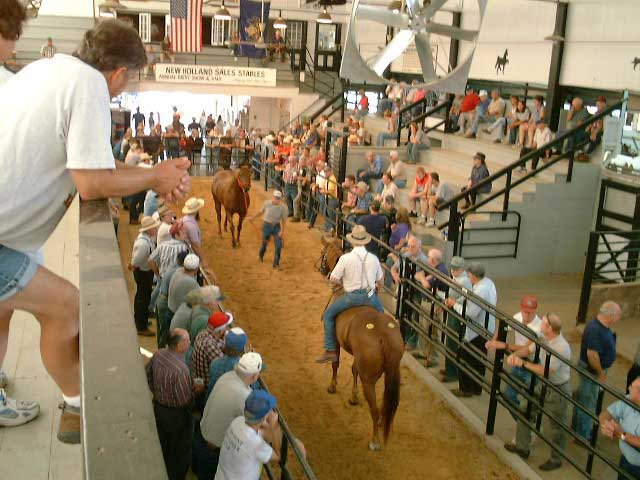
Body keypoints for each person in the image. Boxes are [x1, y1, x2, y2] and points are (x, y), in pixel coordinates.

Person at [0, 17, 188, 437]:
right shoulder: (89, 87)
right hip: (2, 240)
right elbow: (91, 182)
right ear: (119, 73)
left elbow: (94, 161)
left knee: (4, 309)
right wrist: (156, 178)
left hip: (6, 233)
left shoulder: (50, 69)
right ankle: (77, 404)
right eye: (131, 79)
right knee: (66, 306)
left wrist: (155, 173)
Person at [503, 313, 572, 472]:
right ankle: (522, 446)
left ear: (550, 329)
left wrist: (522, 364)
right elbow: (528, 349)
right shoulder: (542, 338)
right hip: (542, 384)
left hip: (557, 388)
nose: (540, 324)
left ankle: (556, 459)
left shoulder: (561, 347)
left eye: (544, 324)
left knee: (557, 426)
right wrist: (515, 355)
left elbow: (546, 370)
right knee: (525, 409)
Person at [316, 225, 385, 363]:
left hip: (351, 298)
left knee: (328, 315)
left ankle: (330, 349)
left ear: (352, 242)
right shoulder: (373, 258)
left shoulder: (346, 259)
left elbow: (333, 279)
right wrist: (375, 289)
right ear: (365, 242)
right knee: (382, 318)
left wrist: (342, 284)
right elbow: (381, 281)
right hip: (370, 297)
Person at [146, 328, 203, 480]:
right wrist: (195, 391)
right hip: (176, 417)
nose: (190, 342)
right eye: (187, 340)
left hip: (158, 407)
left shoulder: (158, 355)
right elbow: (185, 401)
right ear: (179, 346)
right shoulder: (181, 370)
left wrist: (158, 392)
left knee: (162, 444)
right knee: (179, 453)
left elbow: (148, 374)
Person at [195, 352, 262, 479]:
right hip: (215, 454)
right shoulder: (245, 396)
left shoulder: (226, 376)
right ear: (254, 377)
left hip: (201, 439)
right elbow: (254, 428)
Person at [215, 390, 300, 480]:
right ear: (264, 417)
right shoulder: (255, 444)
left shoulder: (237, 421)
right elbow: (278, 457)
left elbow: (256, 430)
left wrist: (266, 423)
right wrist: (273, 427)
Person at [571, 301, 621, 443]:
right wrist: (601, 374)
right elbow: (592, 355)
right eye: (618, 315)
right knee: (587, 403)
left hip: (593, 370)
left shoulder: (600, 327)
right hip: (591, 372)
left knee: (585, 400)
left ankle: (579, 429)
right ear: (610, 316)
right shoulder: (596, 330)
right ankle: (582, 435)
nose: (619, 319)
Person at [446, 262, 496, 397]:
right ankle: (476, 388)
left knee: (466, 357)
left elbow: (471, 312)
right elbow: (471, 297)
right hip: (486, 327)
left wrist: (455, 304)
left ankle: (466, 388)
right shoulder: (488, 283)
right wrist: (460, 301)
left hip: (477, 330)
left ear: (473, 276)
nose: (468, 276)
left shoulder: (481, 290)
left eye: (469, 274)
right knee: (479, 359)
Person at [485, 296, 542, 412]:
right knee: (509, 396)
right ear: (521, 309)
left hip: (532, 363)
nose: (527, 315)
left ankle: (529, 422)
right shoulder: (518, 317)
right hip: (518, 362)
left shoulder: (538, 327)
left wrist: (504, 345)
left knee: (531, 399)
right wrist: (493, 341)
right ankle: (526, 421)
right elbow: (504, 325)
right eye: (525, 312)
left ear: (535, 311)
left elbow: (528, 348)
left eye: (530, 313)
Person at [389, 236, 429, 350]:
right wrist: (395, 275)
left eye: (413, 247)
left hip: (415, 291)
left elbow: (424, 277)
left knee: (413, 316)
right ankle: (402, 337)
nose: (410, 248)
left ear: (419, 247)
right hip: (403, 288)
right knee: (401, 312)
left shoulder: (424, 261)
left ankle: (411, 341)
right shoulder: (405, 256)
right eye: (409, 246)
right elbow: (394, 268)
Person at [438, 256, 472, 382]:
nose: (453, 270)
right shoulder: (458, 278)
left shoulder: (464, 281)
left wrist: (453, 302)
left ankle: (452, 372)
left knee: (452, 341)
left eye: (455, 269)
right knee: (450, 340)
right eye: (452, 268)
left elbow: (466, 297)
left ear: (462, 269)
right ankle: (450, 369)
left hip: (458, 313)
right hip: (454, 309)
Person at [599, 377, 640, 480]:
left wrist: (621, 434)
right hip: (625, 460)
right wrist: (607, 425)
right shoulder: (628, 400)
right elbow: (605, 414)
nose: (629, 388)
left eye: (633, 387)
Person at [129, 216, 161, 336]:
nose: (156, 229)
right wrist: (133, 265)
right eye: (153, 227)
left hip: (143, 271)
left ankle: (140, 320)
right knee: (143, 298)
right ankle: (141, 326)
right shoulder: (143, 243)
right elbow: (135, 261)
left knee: (142, 297)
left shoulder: (145, 239)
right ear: (148, 230)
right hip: (143, 272)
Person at [192, 311, 234, 392]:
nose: (227, 328)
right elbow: (226, 366)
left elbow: (219, 343)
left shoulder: (203, 333)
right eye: (226, 326)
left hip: (198, 377)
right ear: (221, 330)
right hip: (206, 386)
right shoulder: (210, 346)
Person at [206, 327, 248, 401]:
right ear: (242, 349)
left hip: (211, 401)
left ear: (225, 345)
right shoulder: (243, 370)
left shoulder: (214, 363)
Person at [251, 190, 288, 269]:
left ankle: (276, 263)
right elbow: (260, 212)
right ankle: (261, 255)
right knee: (264, 243)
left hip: (276, 227)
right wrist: (253, 218)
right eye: (275, 197)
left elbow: (284, 221)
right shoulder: (266, 203)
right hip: (267, 226)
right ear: (273, 197)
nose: (276, 199)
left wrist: (282, 231)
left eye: (278, 198)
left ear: (280, 199)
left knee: (278, 246)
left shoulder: (282, 208)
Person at [167, 253, 200, 323]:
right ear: (197, 269)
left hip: (170, 310)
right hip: (177, 316)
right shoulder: (190, 282)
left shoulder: (178, 272)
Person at [181, 197, 211, 273]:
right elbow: (195, 245)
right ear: (196, 210)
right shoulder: (192, 226)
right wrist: (203, 260)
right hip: (191, 254)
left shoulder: (184, 219)